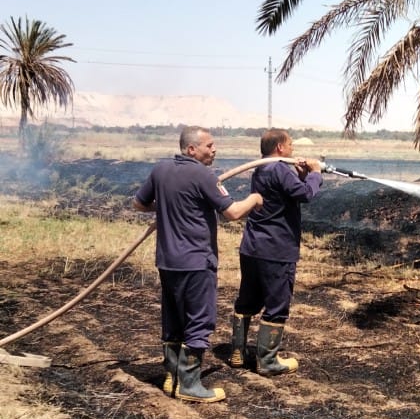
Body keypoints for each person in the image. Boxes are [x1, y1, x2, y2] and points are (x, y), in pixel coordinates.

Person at [134, 125, 263, 403]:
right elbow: (232, 213)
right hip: (196, 262)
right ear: (191, 149)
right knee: (199, 321)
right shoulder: (204, 175)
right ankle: (190, 385)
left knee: (173, 319)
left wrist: (170, 206)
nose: (214, 150)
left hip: (167, 261)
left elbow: (139, 204)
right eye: (209, 146)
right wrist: (254, 198)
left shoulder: (160, 170)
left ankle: (172, 376)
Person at [230, 128, 322, 376]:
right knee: (277, 303)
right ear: (280, 147)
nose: (293, 149)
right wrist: (315, 174)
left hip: (252, 247)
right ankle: (267, 361)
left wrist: (301, 175)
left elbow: (285, 194)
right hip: (276, 250)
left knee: (247, 299)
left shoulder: (263, 168)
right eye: (290, 144)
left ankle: (237, 351)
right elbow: (305, 195)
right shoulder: (279, 168)